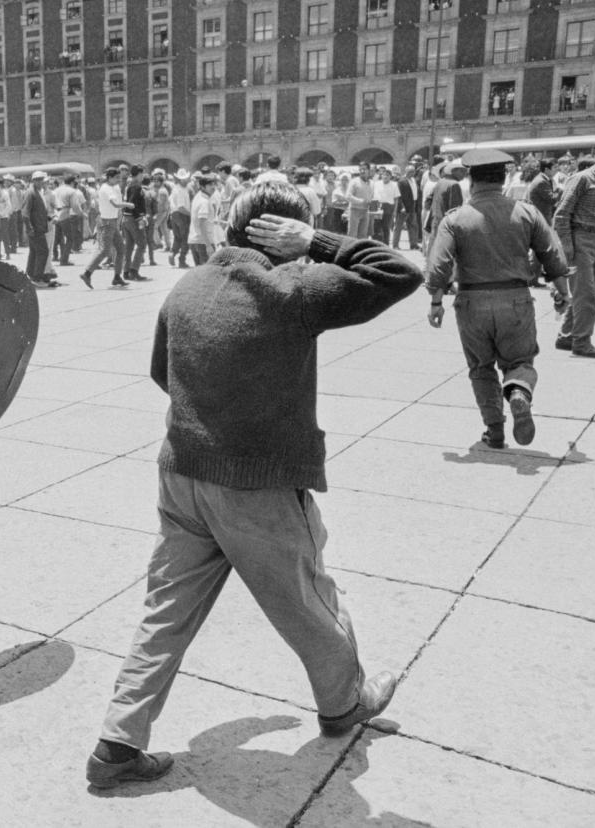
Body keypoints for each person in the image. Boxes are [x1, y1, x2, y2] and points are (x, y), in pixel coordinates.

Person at [86, 183, 421, 789]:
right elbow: (399, 272)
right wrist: (316, 241)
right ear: (284, 237)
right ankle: (345, 704)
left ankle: (118, 741)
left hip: (182, 473)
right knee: (307, 600)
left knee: (166, 612)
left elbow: (163, 371)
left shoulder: (186, 287)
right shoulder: (295, 287)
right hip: (254, 482)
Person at [425, 149, 569, 449]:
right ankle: (518, 391)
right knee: (520, 361)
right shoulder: (527, 212)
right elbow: (552, 254)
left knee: (481, 368)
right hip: (515, 299)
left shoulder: (456, 219)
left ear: (471, 181)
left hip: (471, 303)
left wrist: (436, 301)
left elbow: (438, 265)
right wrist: (563, 292)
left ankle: (495, 430)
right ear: (503, 179)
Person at [553, 138, 595, 357]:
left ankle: (566, 336)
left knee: (582, 292)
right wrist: (567, 246)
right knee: (587, 295)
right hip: (579, 237)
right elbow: (561, 214)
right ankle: (582, 342)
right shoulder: (582, 178)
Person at [80, 167, 130, 288]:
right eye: (116, 177)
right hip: (106, 223)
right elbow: (115, 204)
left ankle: (117, 277)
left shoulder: (113, 187)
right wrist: (129, 204)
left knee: (121, 249)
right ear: (110, 178)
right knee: (104, 250)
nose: (118, 180)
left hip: (112, 222)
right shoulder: (106, 189)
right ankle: (87, 273)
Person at [24, 170, 56, 287]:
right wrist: (29, 228)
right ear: (33, 181)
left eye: (42, 180)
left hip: (40, 227)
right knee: (43, 252)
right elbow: (25, 213)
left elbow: (39, 211)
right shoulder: (31, 193)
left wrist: (48, 217)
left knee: (34, 252)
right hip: (35, 229)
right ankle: (37, 278)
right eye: (38, 180)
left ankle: (29, 276)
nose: (41, 182)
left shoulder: (38, 192)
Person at [120, 164, 150, 281]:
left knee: (129, 246)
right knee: (142, 244)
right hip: (133, 218)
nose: (143, 176)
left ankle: (126, 271)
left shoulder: (128, 185)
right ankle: (134, 270)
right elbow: (133, 204)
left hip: (126, 218)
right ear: (138, 174)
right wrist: (140, 219)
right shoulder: (136, 186)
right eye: (142, 173)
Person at [186, 173, 220, 265]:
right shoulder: (204, 202)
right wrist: (208, 245)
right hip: (203, 242)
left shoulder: (198, 197)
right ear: (202, 187)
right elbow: (201, 224)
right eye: (210, 185)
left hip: (196, 240)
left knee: (199, 274)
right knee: (207, 274)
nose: (213, 187)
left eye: (214, 184)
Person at [167, 169, 191, 267]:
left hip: (174, 215)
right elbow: (181, 207)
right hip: (181, 215)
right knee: (185, 238)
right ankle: (182, 260)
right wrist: (190, 214)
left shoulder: (175, 188)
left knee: (177, 237)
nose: (186, 180)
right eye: (184, 179)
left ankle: (173, 253)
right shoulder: (181, 190)